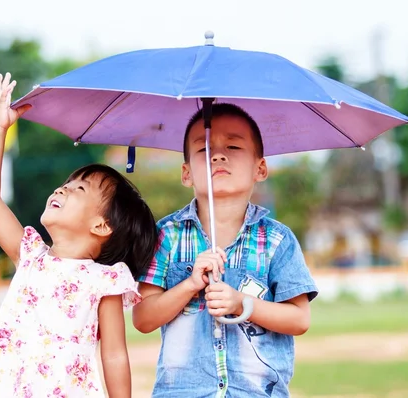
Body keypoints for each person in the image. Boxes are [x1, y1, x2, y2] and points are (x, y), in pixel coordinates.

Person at [0, 73, 158, 398]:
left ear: (102, 226)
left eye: (79, 188)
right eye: (67, 182)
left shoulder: (106, 279)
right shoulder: (30, 255)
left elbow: (115, 354)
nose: (63, 187)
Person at [132, 103, 319, 397]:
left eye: (233, 145)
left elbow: (299, 319)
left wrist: (241, 303)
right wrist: (190, 285)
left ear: (260, 168)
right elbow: (143, 318)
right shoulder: (166, 236)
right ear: (186, 173)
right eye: (204, 150)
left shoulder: (277, 240)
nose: (218, 155)